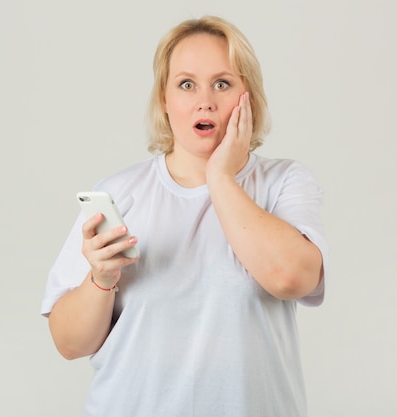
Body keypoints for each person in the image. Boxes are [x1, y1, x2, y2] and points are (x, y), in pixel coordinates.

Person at [41, 15, 329, 417]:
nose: (204, 100)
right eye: (186, 84)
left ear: (249, 95)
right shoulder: (118, 193)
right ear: (164, 99)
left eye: (223, 83)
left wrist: (220, 177)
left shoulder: (284, 182)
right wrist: (101, 279)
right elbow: (69, 344)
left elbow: (293, 278)